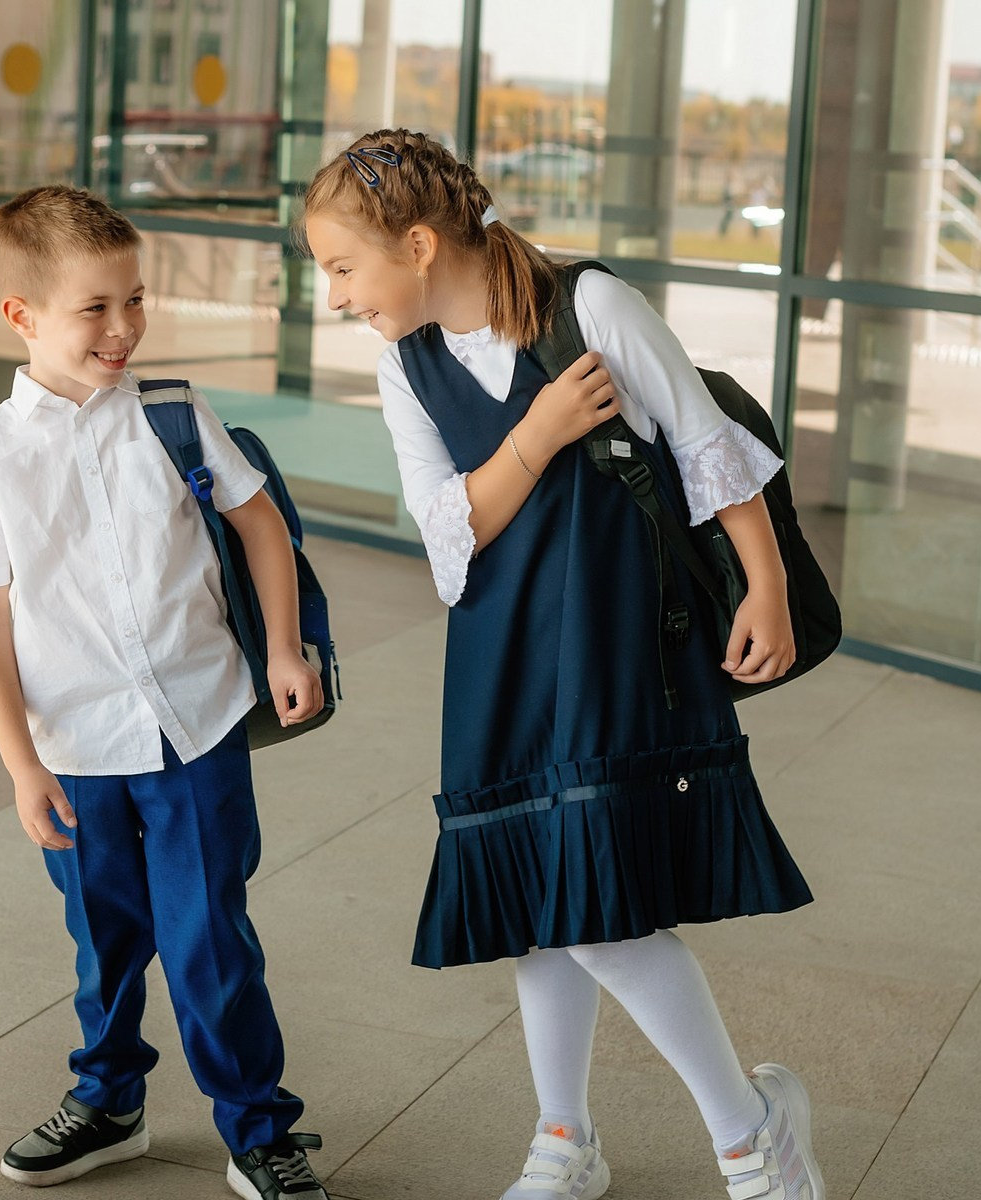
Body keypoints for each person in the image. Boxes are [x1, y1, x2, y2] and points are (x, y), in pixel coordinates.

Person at [302, 131, 824, 1200]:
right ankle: (563, 1139)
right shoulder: (405, 362)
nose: (335, 296)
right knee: (537, 898)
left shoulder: (591, 307)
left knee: (587, 904)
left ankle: (749, 1132)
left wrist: (764, 586)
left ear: (414, 242)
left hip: (615, 643)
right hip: (498, 649)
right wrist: (537, 433)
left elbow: (706, 445)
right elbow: (449, 534)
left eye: (341, 268)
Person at [0, 184, 330, 1200]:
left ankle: (256, 1129)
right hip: (74, 748)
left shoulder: (175, 417)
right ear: (22, 316)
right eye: (94, 308)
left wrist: (283, 649)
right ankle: (110, 1099)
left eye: (135, 300)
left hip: (196, 727)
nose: (122, 327)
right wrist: (21, 764)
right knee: (104, 941)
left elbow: (260, 525)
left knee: (208, 940)